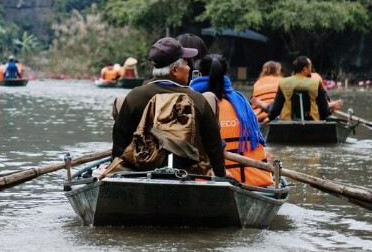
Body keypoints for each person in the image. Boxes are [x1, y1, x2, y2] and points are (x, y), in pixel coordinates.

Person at [106, 37, 224, 178]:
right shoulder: (198, 99)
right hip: (188, 175)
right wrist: (220, 175)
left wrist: (115, 172)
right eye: (187, 64)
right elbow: (213, 146)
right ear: (174, 69)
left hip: (142, 173)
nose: (189, 68)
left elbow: (120, 143)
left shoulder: (134, 96)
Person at [201, 55, 275, 187]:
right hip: (253, 181)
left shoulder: (194, 102)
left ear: (200, 74)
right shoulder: (242, 103)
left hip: (208, 180)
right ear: (225, 75)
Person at [266, 56, 343, 121]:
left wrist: (269, 118)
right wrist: (327, 114)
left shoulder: (283, 83)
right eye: (310, 67)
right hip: (312, 123)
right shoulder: (316, 83)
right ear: (305, 69)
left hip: (289, 124)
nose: (311, 69)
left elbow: (277, 108)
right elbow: (323, 110)